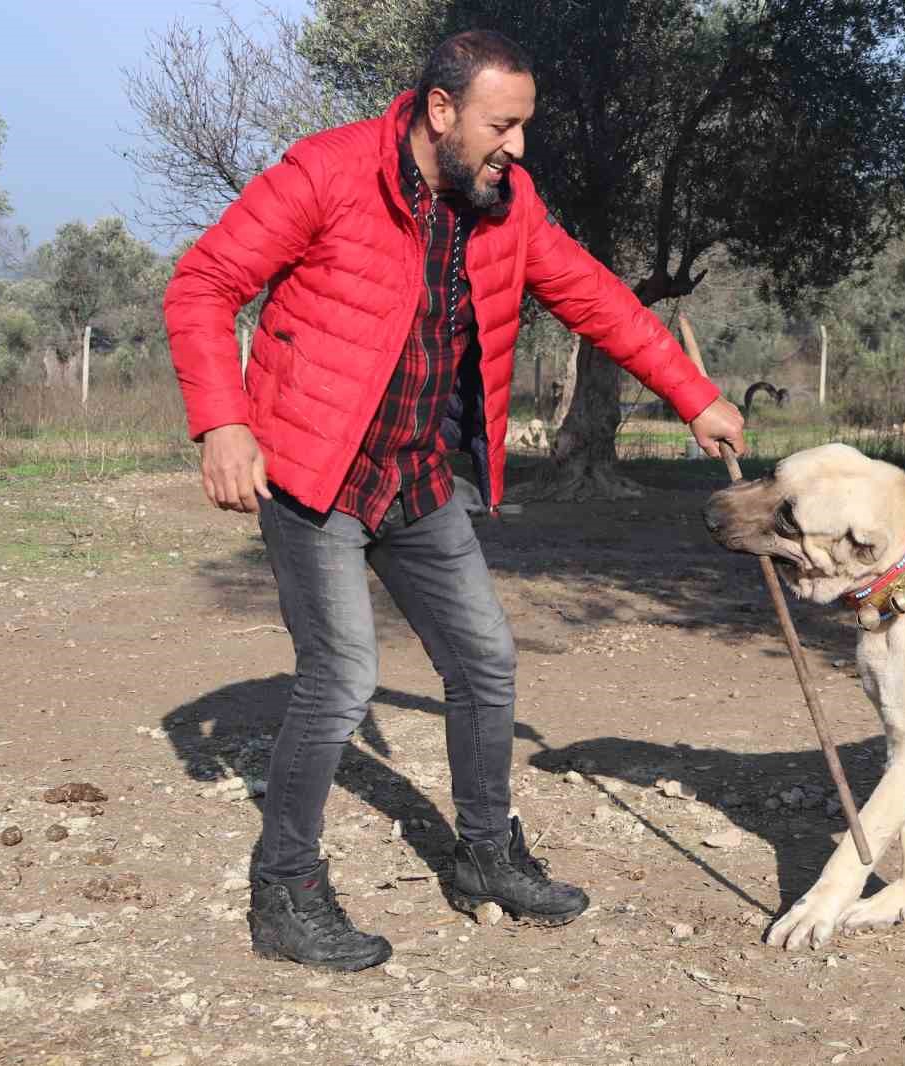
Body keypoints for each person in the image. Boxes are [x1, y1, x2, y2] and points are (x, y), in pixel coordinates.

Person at [164, 28, 746, 972]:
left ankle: (485, 857)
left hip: (419, 473)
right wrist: (222, 423)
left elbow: (594, 296)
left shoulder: (504, 204)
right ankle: (284, 890)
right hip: (315, 472)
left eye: (523, 126)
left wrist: (695, 395)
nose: (517, 147)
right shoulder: (328, 171)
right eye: (502, 125)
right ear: (442, 112)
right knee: (343, 678)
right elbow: (202, 283)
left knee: (485, 661)